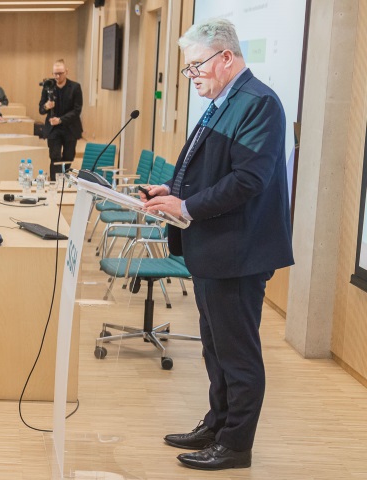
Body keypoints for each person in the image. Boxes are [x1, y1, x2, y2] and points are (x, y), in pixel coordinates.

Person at [140, 18, 294, 471]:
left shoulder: (259, 103)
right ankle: (218, 422)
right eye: (188, 69)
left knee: (237, 352)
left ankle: (236, 445)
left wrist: (184, 206)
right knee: (215, 346)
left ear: (226, 56)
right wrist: (167, 189)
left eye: (196, 66)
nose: (192, 76)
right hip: (214, 247)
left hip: (238, 251)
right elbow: (200, 170)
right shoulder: (224, 100)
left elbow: (248, 179)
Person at [39, 59, 83, 180]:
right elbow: (41, 110)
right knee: (55, 157)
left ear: (66, 72)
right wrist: (46, 106)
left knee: (69, 157)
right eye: (55, 74)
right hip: (53, 129)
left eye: (60, 73)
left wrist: (61, 120)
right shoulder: (48, 86)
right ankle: (55, 183)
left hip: (70, 127)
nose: (57, 76)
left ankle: (64, 180)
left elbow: (77, 110)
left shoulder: (75, 87)